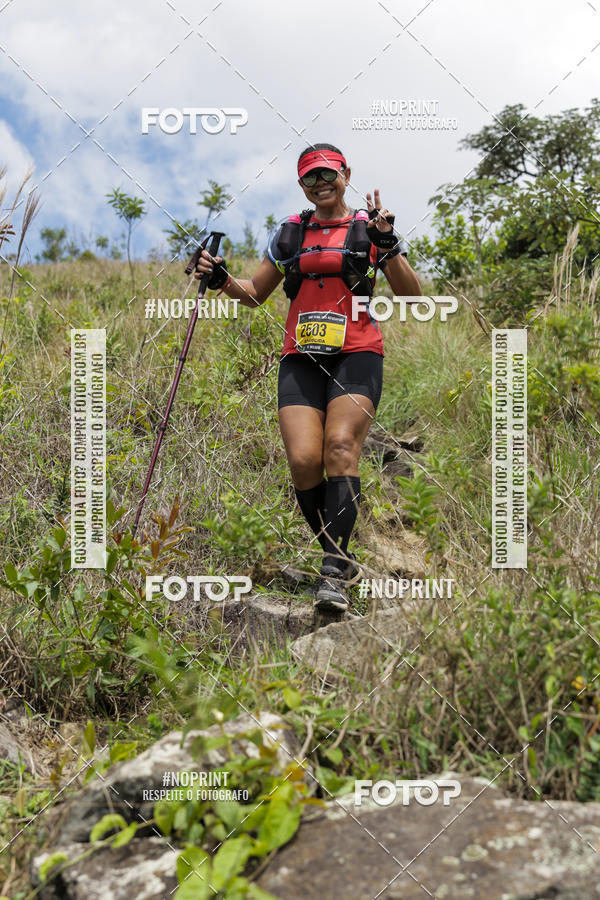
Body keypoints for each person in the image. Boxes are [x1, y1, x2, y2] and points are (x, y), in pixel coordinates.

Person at [193, 143, 421, 612]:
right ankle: (336, 555)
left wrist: (388, 242)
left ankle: (334, 569)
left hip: (356, 353)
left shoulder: (367, 227)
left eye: (327, 175)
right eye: (309, 179)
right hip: (301, 357)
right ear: (301, 186)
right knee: (302, 460)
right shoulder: (291, 234)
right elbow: (254, 294)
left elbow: (412, 296)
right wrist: (220, 279)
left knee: (339, 448)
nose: (320, 185)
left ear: (345, 174)